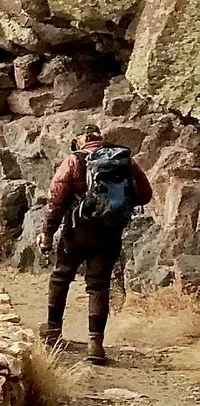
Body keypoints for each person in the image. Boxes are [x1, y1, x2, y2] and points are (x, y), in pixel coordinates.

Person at [41, 125, 152, 365]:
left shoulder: (74, 161)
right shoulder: (124, 161)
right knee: (99, 285)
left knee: (61, 277)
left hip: (77, 231)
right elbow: (145, 195)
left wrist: (48, 234)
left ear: (80, 140)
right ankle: (96, 344)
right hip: (109, 232)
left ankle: (52, 332)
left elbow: (55, 200)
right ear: (101, 140)